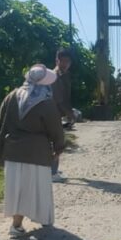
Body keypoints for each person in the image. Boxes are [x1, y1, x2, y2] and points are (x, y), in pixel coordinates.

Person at [0, 63, 66, 237]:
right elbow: (55, 128)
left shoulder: (11, 97)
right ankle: (44, 218)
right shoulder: (46, 103)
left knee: (17, 188)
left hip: (13, 151)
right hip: (37, 152)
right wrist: (58, 148)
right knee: (38, 187)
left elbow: (1, 123)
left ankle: (17, 224)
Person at [50, 49, 72, 183]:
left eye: (67, 61)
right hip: (52, 114)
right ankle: (52, 173)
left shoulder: (64, 75)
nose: (65, 64)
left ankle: (53, 170)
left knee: (55, 142)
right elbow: (58, 99)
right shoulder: (54, 76)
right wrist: (70, 113)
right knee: (57, 143)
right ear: (56, 61)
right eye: (62, 61)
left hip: (55, 113)